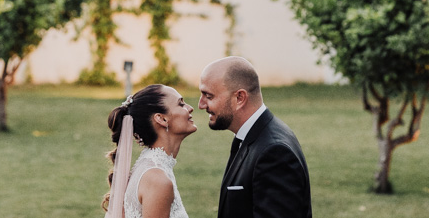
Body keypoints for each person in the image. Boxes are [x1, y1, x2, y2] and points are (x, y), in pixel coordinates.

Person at [198, 56, 312, 218]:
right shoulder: (251, 136)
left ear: (239, 98)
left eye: (208, 96)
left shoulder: (274, 153)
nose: (201, 105)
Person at [104, 84, 198, 218]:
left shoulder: (152, 168)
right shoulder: (157, 180)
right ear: (162, 119)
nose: (190, 108)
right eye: (181, 104)